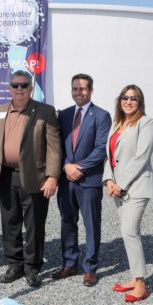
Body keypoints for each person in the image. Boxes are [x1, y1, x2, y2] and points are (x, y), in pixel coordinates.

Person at [0, 70, 62, 288]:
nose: (20, 89)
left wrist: (52, 176)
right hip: (6, 176)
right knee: (10, 223)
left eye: (24, 85)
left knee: (35, 224)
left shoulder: (45, 112)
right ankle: (15, 265)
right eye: (15, 85)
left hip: (35, 177)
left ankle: (33, 267)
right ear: (9, 88)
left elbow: (55, 148)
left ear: (30, 88)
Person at [51, 74, 111, 287]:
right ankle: (70, 264)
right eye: (75, 88)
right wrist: (67, 165)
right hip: (67, 179)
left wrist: (80, 168)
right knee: (67, 222)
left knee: (91, 225)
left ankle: (90, 268)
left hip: (89, 180)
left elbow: (101, 148)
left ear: (91, 90)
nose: (79, 92)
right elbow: (57, 145)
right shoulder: (64, 115)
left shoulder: (101, 115)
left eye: (83, 89)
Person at [102, 85, 153, 303]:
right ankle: (135, 278)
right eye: (125, 97)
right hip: (116, 188)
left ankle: (141, 284)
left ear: (140, 102)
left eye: (133, 98)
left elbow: (141, 157)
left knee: (129, 233)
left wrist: (120, 184)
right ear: (119, 101)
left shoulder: (146, 123)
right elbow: (110, 157)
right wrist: (108, 180)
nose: (128, 101)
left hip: (136, 187)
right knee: (128, 234)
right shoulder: (117, 124)